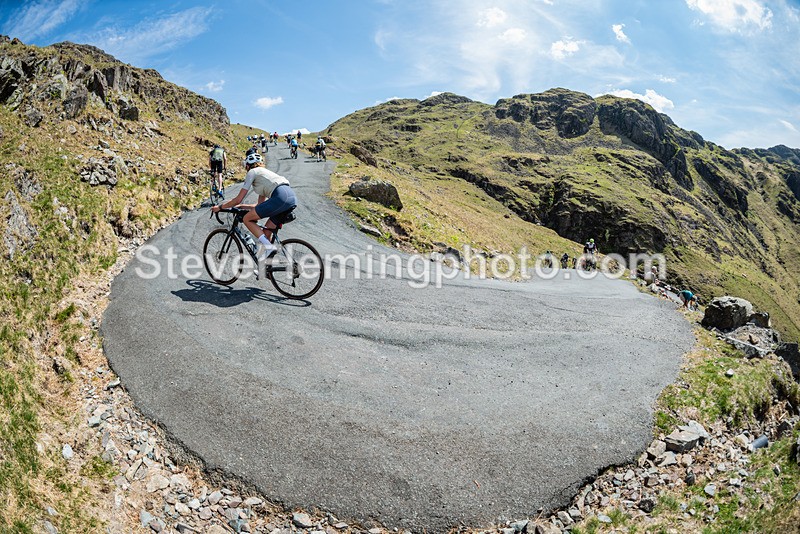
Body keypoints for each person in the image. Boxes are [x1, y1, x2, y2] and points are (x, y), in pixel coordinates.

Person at [211, 152, 296, 262]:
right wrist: (242, 206)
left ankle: (270, 248)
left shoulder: (252, 172)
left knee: (247, 219)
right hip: (290, 197)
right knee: (266, 232)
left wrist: (221, 207)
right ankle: (265, 268)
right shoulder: (264, 176)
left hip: (280, 197)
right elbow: (260, 206)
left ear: (247, 165)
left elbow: (238, 199)